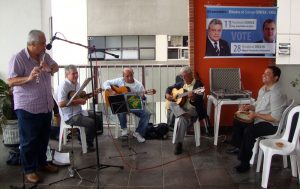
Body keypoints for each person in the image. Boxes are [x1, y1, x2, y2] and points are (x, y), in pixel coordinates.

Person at [7, 30, 59, 183]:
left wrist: (49, 68)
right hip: (27, 106)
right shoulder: (18, 58)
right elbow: (10, 81)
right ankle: (29, 169)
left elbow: (55, 66)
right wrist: (29, 78)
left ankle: (42, 163)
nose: (45, 46)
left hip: (45, 105)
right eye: (43, 43)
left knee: (43, 138)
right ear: (32, 44)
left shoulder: (44, 55)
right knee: (29, 140)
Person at [226, 65, 287, 173]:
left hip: (272, 125)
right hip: (260, 119)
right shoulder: (263, 89)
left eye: (268, 74)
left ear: (276, 78)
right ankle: (239, 147)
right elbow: (258, 106)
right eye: (264, 73)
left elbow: (275, 118)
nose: (264, 75)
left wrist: (256, 115)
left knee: (249, 131)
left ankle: (244, 163)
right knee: (238, 119)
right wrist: (249, 107)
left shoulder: (276, 93)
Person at [57, 64, 102, 153]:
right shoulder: (64, 85)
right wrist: (78, 102)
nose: (76, 75)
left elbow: (81, 98)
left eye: (76, 73)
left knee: (97, 117)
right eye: (73, 74)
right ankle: (87, 143)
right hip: (70, 116)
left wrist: (91, 94)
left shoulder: (77, 84)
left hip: (79, 112)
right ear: (67, 75)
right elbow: (61, 104)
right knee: (91, 122)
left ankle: (83, 138)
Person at [165, 66, 207, 155]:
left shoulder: (199, 85)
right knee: (172, 104)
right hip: (182, 109)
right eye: (182, 76)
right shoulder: (180, 84)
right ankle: (183, 115)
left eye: (186, 76)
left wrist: (193, 98)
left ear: (191, 75)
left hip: (193, 109)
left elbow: (200, 100)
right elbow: (169, 88)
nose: (184, 78)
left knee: (181, 118)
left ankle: (179, 144)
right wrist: (167, 95)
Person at [103, 67, 150, 143]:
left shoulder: (139, 85)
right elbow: (105, 83)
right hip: (122, 105)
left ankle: (138, 133)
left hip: (133, 105)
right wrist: (111, 91)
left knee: (147, 114)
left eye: (131, 75)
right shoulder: (119, 80)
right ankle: (124, 129)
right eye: (127, 76)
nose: (129, 77)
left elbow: (144, 100)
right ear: (123, 76)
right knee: (121, 107)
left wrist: (143, 97)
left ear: (133, 74)